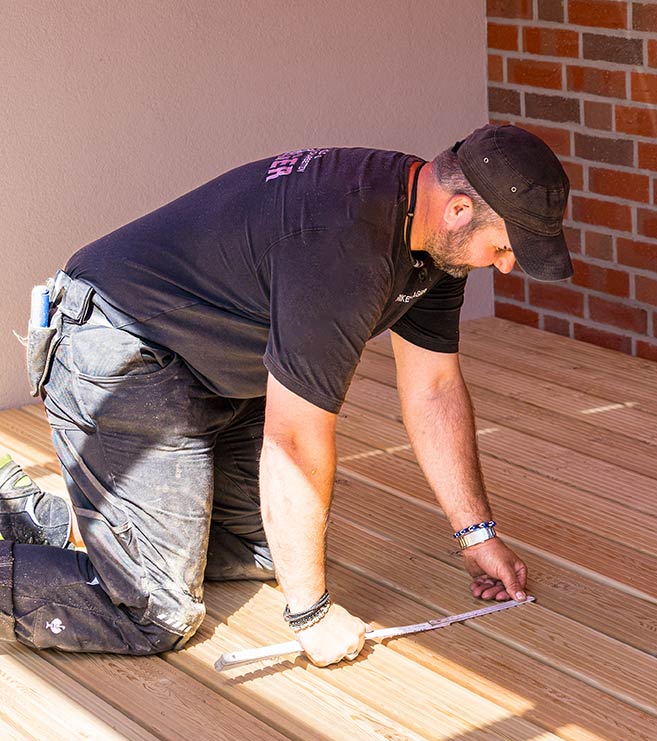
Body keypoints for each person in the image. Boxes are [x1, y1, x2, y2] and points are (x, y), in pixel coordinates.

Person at [0, 124, 573, 666]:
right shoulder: (344, 245)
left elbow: (434, 389)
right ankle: (123, 546)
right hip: (122, 351)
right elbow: (293, 442)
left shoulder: (429, 238)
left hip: (217, 370)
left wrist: (477, 535)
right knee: (154, 611)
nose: (506, 264)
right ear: (458, 210)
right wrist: (310, 614)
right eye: (503, 247)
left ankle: (55, 519)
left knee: (275, 550)